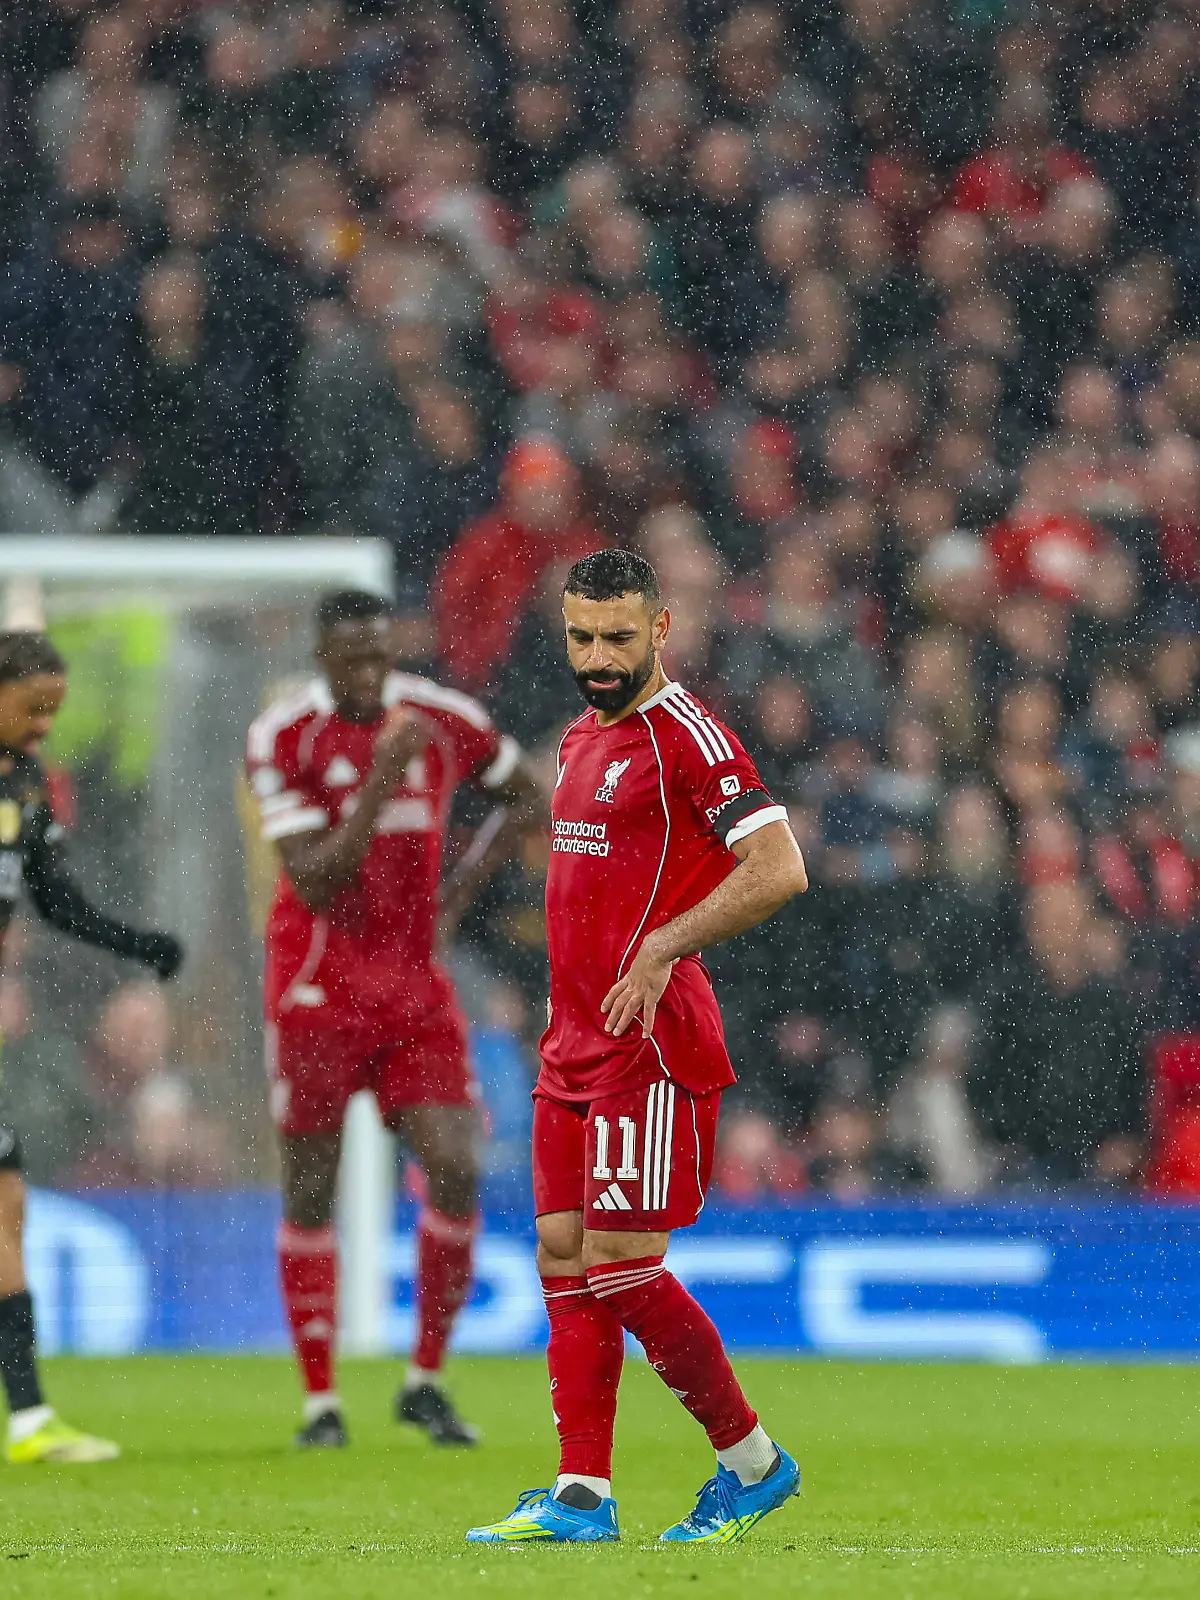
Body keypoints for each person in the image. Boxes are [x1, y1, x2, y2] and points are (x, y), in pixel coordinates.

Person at [467, 549, 809, 1546]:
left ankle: (753, 1462)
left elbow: (778, 867)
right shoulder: (579, 736)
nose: (599, 656)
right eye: (581, 636)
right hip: (571, 1041)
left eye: (620, 636)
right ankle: (582, 1493)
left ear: (659, 629)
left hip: (647, 1046)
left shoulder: (689, 737)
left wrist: (663, 941)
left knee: (620, 1266)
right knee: (563, 1255)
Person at [245, 590, 543, 1449]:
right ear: (323, 657)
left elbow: (531, 797)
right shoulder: (282, 739)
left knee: (455, 1164)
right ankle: (321, 1403)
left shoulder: (443, 717)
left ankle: (425, 1382)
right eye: (351, 658)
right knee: (313, 1184)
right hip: (316, 985)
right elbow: (314, 882)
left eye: (380, 654)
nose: (369, 672)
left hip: (413, 985)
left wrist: (459, 895)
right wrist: (380, 776)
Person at [0, 632, 183, 1464]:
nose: (46, 725)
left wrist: (134, 946)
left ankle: (30, 1418)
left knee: (8, 1209)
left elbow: (55, 900)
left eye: (55, 711)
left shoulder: (27, 785)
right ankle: (30, 1416)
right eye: (33, 707)